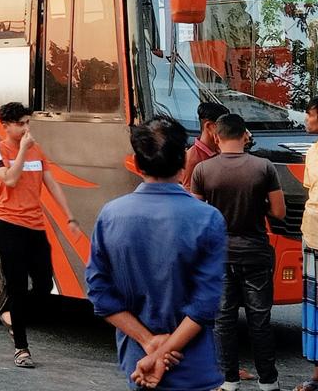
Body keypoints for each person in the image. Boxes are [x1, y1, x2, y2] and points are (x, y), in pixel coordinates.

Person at [86, 115, 226, 391]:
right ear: (184, 163)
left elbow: (100, 293)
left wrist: (150, 344)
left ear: (137, 165)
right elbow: (204, 305)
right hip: (190, 364)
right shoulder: (208, 218)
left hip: (138, 362)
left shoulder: (111, 215)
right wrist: (164, 352)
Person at [190, 113, 284, 391]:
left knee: (224, 321)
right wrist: (258, 205)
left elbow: (198, 217)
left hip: (219, 256)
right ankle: (268, 382)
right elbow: (279, 212)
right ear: (245, 135)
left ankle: (229, 381)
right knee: (260, 322)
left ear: (217, 137)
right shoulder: (264, 167)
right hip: (255, 254)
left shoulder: (203, 170)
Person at [0, 102, 80, 368]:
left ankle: (10, 316)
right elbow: (10, 179)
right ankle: (22, 349)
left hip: (35, 226)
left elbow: (51, 184)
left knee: (42, 285)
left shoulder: (37, 151)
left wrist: (69, 216)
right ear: (5, 125)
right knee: (16, 287)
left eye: (28, 122)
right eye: (20, 124)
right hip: (8, 225)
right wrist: (22, 152)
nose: (26, 128)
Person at [295, 97, 318, 391]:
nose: (305, 120)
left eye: (310, 115)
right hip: (312, 233)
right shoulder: (312, 151)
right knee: (314, 305)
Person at [181, 102, 230, 188]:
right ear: (209, 126)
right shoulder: (192, 160)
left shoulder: (221, 150)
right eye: (224, 126)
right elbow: (191, 196)